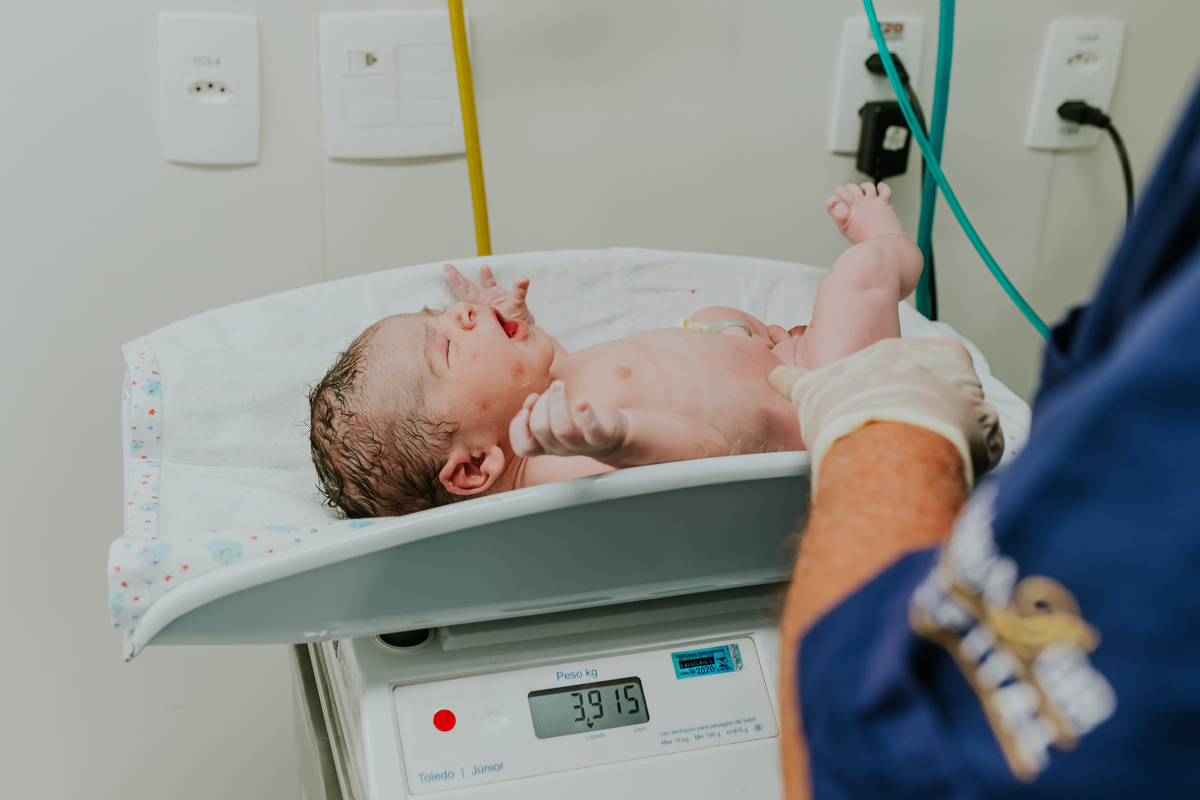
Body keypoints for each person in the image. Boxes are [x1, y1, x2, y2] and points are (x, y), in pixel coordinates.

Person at [769, 78, 1200, 798]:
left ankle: (889, 252)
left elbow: (872, 754)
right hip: (833, 400)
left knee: (853, 290)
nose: (511, 291)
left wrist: (889, 421)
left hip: (828, 397)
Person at [308, 182, 969, 519]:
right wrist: (619, 436)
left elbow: (568, 370)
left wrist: (513, 325)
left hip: (775, 360)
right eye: (447, 347)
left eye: (441, 314)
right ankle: (892, 249)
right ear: (475, 467)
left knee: (710, 317)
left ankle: (777, 338)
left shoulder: (549, 411)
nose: (461, 314)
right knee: (855, 279)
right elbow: (705, 452)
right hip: (826, 405)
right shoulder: (554, 466)